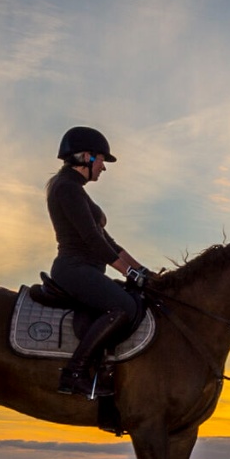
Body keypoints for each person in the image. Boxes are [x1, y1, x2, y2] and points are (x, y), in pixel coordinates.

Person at [45, 126, 151, 396]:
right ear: (87, 158)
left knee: (134, 299)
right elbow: (93, 240)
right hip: (74, 269)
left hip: (86, 268)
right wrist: (129, 273)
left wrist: (141, 271)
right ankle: (75, 372)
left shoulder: (76, 190)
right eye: (102, 160)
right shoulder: (66, 188)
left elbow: (110, 243)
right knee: (124, 307)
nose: (103, 168)